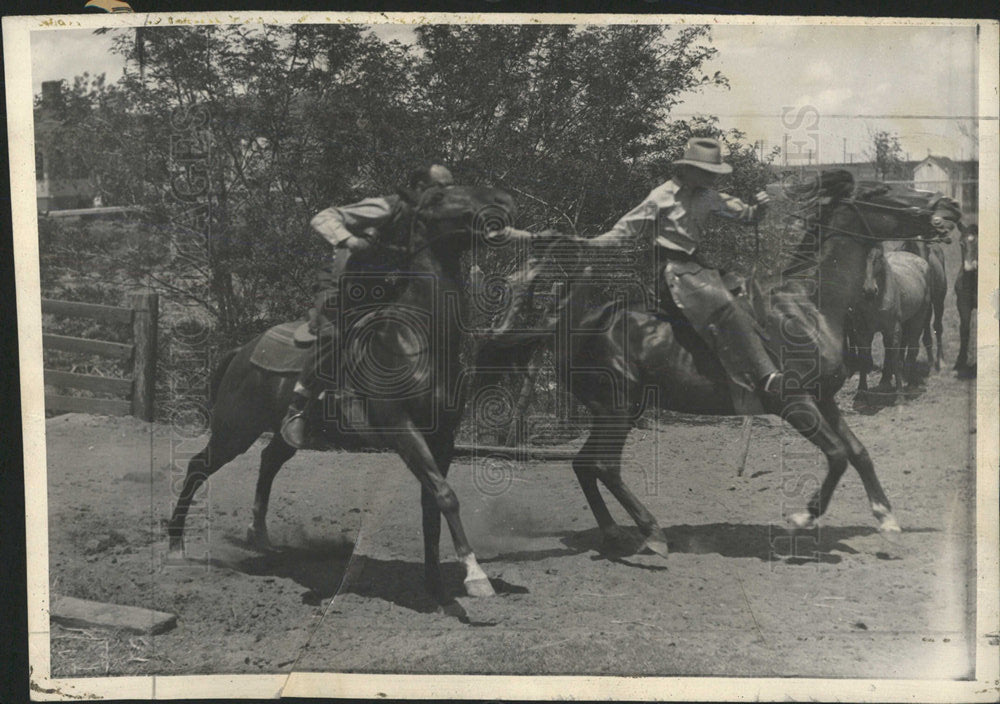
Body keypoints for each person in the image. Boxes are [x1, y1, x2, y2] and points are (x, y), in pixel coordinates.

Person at [587, 137, 783, 404]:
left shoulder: (710, 197)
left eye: (713, 173)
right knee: (725, 303)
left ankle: (740, 367)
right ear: (688, 169)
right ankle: (766, 375)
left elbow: (748, 217)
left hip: (696, 268)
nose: (712, 178)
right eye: (706, 172)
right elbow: (624, 232)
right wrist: (585, 246)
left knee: (746, 291)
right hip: (669, 272)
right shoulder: (661, 197)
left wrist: (761, 208)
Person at [279, 164, 456, 449]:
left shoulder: (430, 220)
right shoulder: (387, 207)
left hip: (381, 289)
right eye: (441, 188)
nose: (448, 195)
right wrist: (350, 239)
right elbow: (323, 217)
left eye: (451, 189)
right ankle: (298, 407)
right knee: (334, 334)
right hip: (341, 283)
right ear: (421, 188)